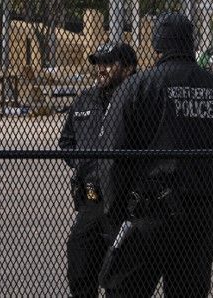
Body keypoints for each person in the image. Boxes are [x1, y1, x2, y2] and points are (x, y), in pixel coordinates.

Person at [97, 13, 213, 297]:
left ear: (157, 47)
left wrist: (116, 212)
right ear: (191, 44)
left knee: (126, 290)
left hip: (147, 214)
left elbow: (111, 155)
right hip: (198, 215)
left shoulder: (137, 87)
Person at [59, 42, 138, 298]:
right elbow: (67, 141)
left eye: (108, 63)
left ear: (128, 69)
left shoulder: (137, 99)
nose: (101, 69)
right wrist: (83, 165)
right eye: (98, 64)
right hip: (91, 201)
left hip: (124, 203)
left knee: (119, 278)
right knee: (79, 265)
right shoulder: (85, 100)